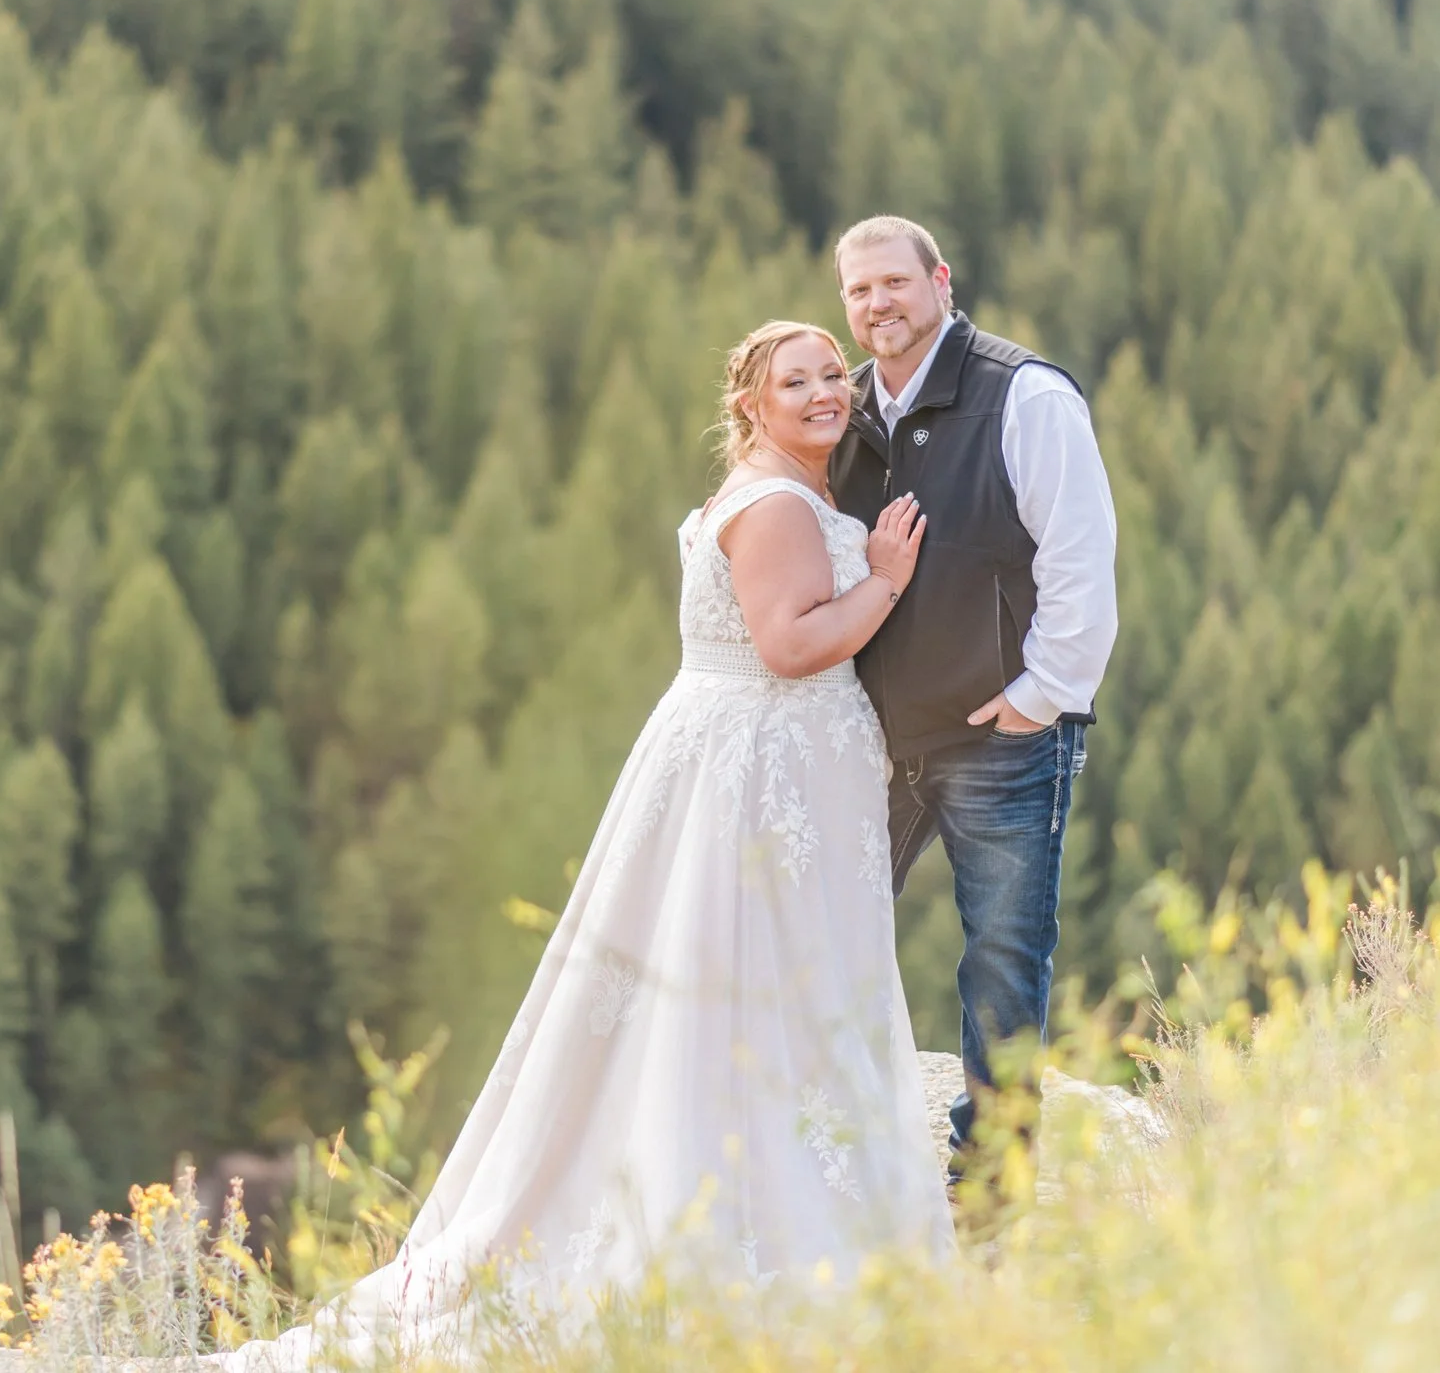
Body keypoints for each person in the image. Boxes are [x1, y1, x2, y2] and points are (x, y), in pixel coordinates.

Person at [215, 322, 953, 1368]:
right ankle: (761, 1221)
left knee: (729, 975)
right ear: (749, 402)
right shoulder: (782, 503)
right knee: (767, 968)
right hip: (763, 764)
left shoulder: (763, 490)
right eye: (797, 381)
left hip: (742, 760)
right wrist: (881, 580)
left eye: (834, 374)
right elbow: (789, 649)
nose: (826, 391)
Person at [826, 214, 1119, 1191]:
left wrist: (1044, 694)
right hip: (874, 738)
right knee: (821, 923)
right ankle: (820, 1148)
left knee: (1001, 955)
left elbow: (1080, 554)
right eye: (858, 291)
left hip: (999, 737)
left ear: (940, 281)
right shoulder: (849, 410)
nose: (877, 304)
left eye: (893, 283)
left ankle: (989, 1177)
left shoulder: (1021, 395)